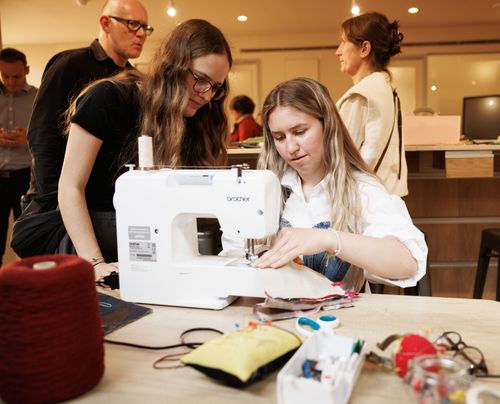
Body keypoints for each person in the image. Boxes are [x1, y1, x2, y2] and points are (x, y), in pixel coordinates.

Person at [58, 19, 232, 280]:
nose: (206, 95)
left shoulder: (196, 120)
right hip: (91, 248)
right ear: (173, 66)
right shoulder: (109, 98)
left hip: (150, 249)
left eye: (216, 87)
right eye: (200, 79)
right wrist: (95, 263)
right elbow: (70, 186)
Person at [224, 78, 427, 292]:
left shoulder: (361, 189)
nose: (291, 148)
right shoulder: (264, 190)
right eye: (279, 137)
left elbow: (408, 263)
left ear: (328, 126)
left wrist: (329, 239)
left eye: (300, 132)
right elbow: (233, 256)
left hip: (339, 312)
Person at [25, 0, 151, 204]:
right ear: (106, 24)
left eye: (145, 27)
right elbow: (43, 135)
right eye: (133, 24)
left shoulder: (135, 79)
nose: (141, 33)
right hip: (62, 200)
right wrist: (55, 203)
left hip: (112, 202)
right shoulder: (70, 64)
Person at [336, 12, 408, 196]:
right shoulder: (385, 89)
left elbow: (341, 158)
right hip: (385, 195)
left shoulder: (360, 96)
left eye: (343, 42)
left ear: (364, 49)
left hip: (363, 199)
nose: (338, 51)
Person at [0, 48, 38, 266]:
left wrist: (29, 137)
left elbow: (50, 135)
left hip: (26, 177)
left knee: (28, 239)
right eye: (5, 76)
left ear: (27, 70)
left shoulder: (38, 97)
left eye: (16, 76)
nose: (10, 82)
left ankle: (29, 282)